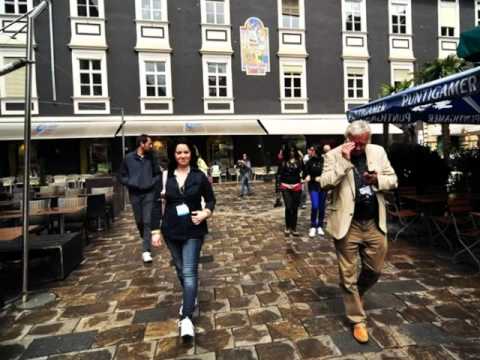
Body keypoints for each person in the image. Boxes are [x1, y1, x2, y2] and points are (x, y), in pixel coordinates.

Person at [318, 120, 397, 344]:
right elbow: (324, 183)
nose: (361, 147)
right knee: (348, 276)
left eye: (365, 142)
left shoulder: (378, 152)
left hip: (373, 222)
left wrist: (378, 180)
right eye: (357, 144)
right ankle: (357, 320)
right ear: (348, 139)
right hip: (347, 225)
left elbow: (393, 179)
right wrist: (344, 162)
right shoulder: (333, 155)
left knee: (375, 269)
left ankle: (358, 293)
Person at [151, 138, 215, 340]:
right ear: (173, 155)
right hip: (171, 230)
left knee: (189, 271)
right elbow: (155, 204)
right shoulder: (164, 177)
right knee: (180, 269)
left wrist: (206, 212)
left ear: (191, 154)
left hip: (194, 229)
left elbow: (211, 199)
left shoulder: (199, 176)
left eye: (186, 152)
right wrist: (155, 231)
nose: (182, 156)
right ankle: (191, 296)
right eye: (178, 152)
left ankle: (186, 318)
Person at [119, 134, 159, 263]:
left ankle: (146, 251)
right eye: (149, 143)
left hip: (149, 193)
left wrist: (151, 183)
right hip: (135, 194)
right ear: (142, 144)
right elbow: (121, 176)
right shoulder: (128, 158)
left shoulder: (151, 157)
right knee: (139, 221)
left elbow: (157, 173)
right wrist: (131, 182)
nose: (151, 146)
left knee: (147, 221)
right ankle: (145, 238)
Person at [277, 145, 304, 236]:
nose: (292, 152)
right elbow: (279, 174)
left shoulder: (299, 161)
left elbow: (305, 170)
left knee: (295, 207)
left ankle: (294, 228)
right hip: (285, 186)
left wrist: (302, 157)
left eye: (293, 151)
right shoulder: (283, 161)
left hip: (296, 185)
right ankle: (288, 227)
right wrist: (278, 188)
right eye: (290, 151)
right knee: (288, 207)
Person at [303, 145, 327, 237]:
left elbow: (328, 172)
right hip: (313, 186)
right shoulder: (309, 161)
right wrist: (312, 177)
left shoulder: (324, 161)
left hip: (323, 186)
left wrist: (322, 178)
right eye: (310, 150)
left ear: (316, 151)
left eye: (312, 150)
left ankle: (320, 225)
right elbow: (305, 174)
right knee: (315, 206)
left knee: (322, 207)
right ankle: (313, 226)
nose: (310, 152)